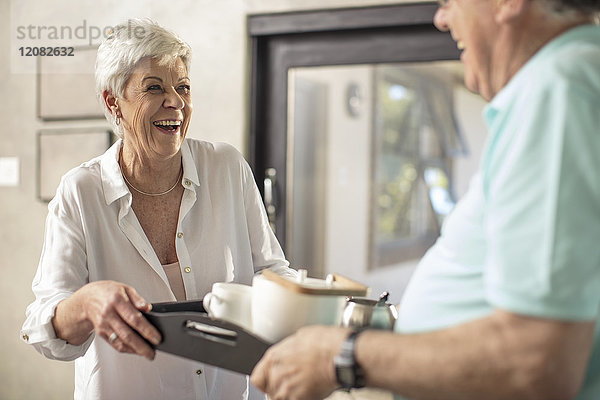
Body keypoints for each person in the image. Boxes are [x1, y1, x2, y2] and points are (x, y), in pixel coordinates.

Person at [251, 0, 600, 399]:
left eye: (450, 1)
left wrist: (340, 354)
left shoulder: (558, 90)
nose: (441, 17)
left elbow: (536, 360)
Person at [21, 18, 294, 400]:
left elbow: (271, 271)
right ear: (113, 101)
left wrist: (316, 308)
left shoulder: (226, 167)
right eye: (154, 87)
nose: (176, 102)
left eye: (182, 87)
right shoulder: (80, 192)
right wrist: (86, 303)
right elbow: (42, 326)